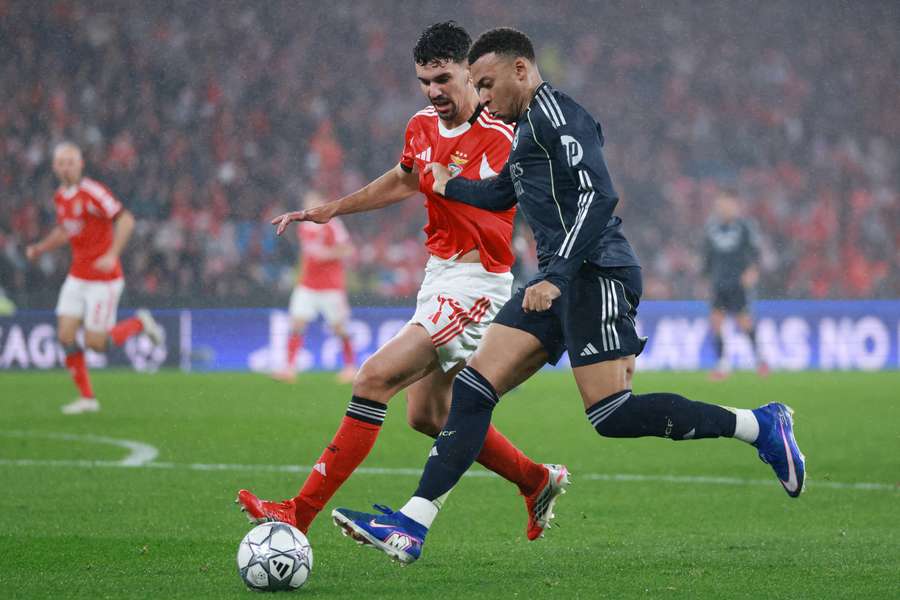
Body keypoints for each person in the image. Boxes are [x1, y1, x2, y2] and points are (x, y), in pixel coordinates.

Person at [333, 27, 807, 565]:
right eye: (476, 87)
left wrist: (557, 275)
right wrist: (446, 185)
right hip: (556, 279)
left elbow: (598, 195)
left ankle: (761, 424)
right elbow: (499, 192)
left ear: (520, 70)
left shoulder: (558, 118)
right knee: (472, 388)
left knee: (611, 414)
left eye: (486, 85)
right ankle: (412, 525)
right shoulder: (522, 129)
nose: (482, 98)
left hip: (596, 272)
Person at [237, 22, 567, 542]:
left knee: (372, 378)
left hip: (478, 281)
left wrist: (450, 184)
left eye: (443, 77)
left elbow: (509, 198)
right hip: (438, 276)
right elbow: (405, 177)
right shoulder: (420, 125)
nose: (434, 90)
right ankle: (536, 479)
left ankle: (297, 512)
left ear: (469, 72)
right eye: (423, 81)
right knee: (428, 414)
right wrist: (333, 209)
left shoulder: (503, 133)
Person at [25, 142, 162, 414]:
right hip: (77, 277)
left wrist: (112, 254)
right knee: (65, 336)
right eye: (62, 162)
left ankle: (138, 323)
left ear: (80, 164)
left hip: (104, 279)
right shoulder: (60, 197)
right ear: (54, 167)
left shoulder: (93, 192)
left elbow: (126, 220)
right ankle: (87, 398)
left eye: (71, 162)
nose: (66, 167)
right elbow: (66, 232)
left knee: (95, 344)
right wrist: (40, 248)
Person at [273, 189, 357, 384]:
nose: (309, 206)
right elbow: (307, 255)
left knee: (339, 328)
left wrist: (326, 254)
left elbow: (348, 249)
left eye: (313, 202)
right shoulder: (303, 227)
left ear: (321, 203)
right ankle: (289, 369)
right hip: (308, 285)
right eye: (307, 202)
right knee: (296, 323)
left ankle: (350, 367)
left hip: (330, 287)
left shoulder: (333, 225)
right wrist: (300, 275)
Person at [703, 190, 768, 380]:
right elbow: (707, 256)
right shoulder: (711, 228)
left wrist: (752, 270)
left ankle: (759, 359)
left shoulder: (745, 227)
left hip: (737, 282)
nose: (724, 208)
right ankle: (722, 364)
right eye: (721, 205)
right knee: (715, 322)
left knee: (744, 321)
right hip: (718, 282)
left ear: (736, 206)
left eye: (728, 204)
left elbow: (755, 251)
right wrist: (706, 278)